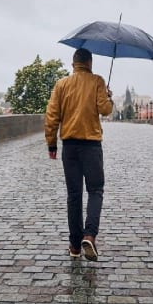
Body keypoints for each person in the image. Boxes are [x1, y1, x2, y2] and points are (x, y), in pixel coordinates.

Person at [45, 48, 113, 261]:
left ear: (73, 63)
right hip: (91, 146)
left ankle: (75, 246)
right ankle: (90, 236)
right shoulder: (97, 81)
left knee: (74, 196)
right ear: (90, 62)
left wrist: (51, 144)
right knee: (95, 190)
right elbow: (106, 110)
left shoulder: (62, 84)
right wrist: (108, 97)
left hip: (70, 146)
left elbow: (52, 115)